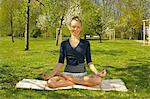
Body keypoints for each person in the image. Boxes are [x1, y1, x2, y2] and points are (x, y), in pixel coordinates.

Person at [43, 16, 106, 88]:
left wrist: (97, 73)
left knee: (98, 80)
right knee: (51, 82)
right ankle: (78, 82)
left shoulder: (86, 43)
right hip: (67, 74)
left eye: (78, 27)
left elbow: (89, 62)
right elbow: (60, 62)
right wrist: (51, 75)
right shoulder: (64, 44)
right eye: (73, 26)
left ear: (81, 28)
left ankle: (71, 81)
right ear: (69, 27)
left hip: (82, 76)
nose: (75, 29)